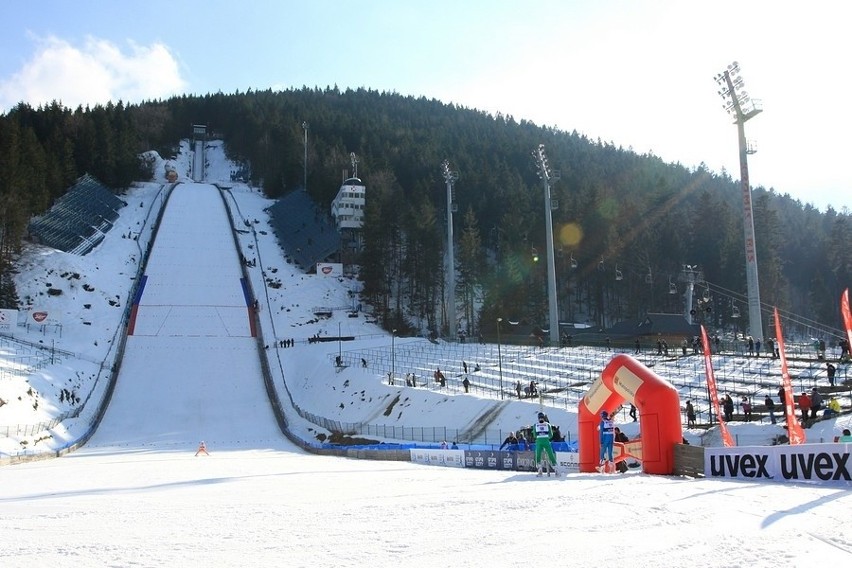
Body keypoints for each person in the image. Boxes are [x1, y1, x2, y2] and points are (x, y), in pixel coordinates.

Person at [532, 412, 559, 476]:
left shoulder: (535, 425)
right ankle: (556, 469)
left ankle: (539, 470)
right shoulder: (548, 424)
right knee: (550, 455)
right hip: (546, 441)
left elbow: (534, 435)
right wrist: (546, 437)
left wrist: (539, 437)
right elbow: (551, 435)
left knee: (538, 455)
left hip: (539, 442)